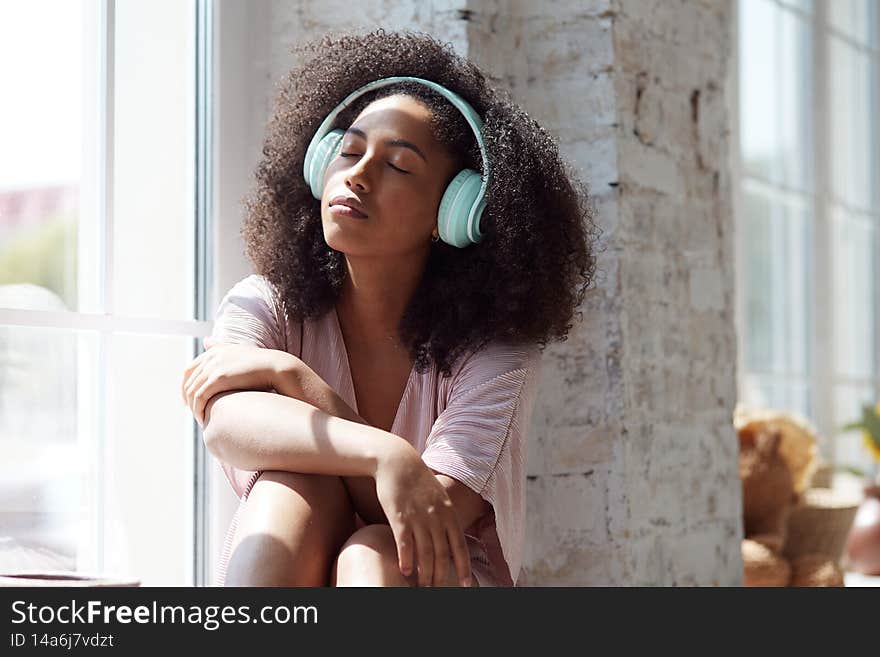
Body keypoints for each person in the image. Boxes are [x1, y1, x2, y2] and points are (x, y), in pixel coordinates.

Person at [181, 28, 598, 587]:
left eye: (398, 166)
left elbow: (423, 518)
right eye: (349, 151)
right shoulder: (268, 301)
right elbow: (227, 425)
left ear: (451, 213)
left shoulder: (497, 353)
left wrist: (296, 380)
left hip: (424, 576)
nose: (357, 174)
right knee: (292, 489)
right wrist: (383, 454)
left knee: (371, 553)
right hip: (303, 555)